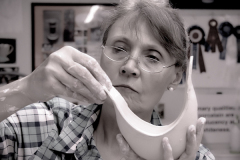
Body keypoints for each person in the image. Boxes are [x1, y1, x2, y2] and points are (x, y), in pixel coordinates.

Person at [0, 0, 215, 159]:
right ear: (100, 56)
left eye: (152, 57)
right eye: (119, 48)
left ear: (176, 77)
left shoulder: (196, 157)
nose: (129, 67)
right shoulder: (40, 125)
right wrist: (25, 89)